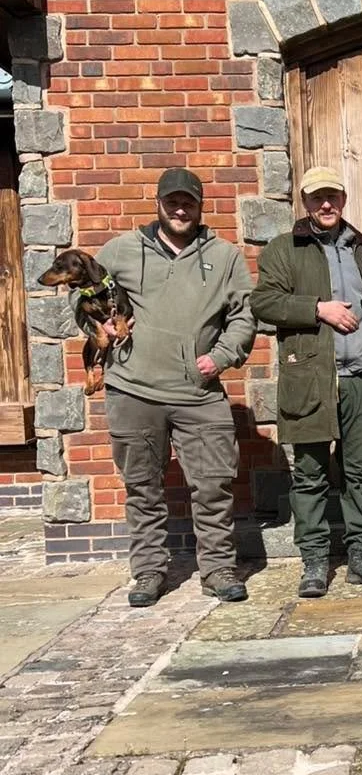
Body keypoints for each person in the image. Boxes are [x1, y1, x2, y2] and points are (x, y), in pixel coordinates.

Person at [78, 167, 255, 607]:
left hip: (199, 391)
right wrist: (101, 326)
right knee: (143, 487)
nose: (180, 209)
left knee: (213, 486)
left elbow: (244, 317)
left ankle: (217, 569)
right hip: (133, 389)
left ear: (199, 207)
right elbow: (82, 295)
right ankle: (149, 573)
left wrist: (220, 357)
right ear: (157, 203)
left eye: (188, 203)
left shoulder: (225, 256)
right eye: (172, 202)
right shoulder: (120, 251)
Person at [251, 166, 362, 598]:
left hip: (361, 378)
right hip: (312, 379)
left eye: (333, 197)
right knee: (311, 473)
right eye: (318, 197)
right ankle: (315, 562)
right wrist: (317, 308)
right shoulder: (285, 249)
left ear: (343, 200)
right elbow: (264, 302)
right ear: (304, 201)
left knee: (360, 471)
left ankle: (361, 556)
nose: (326, 205)